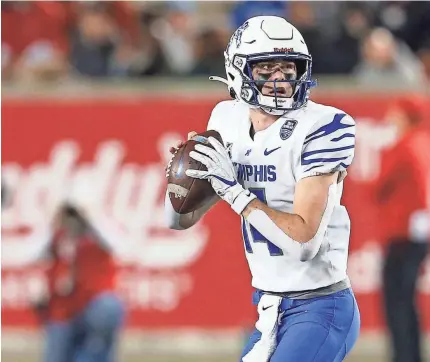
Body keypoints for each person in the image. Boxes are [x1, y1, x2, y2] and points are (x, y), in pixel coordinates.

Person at [165, 16, 360, 362]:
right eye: (266, 69)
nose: (279, 81)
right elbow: (178, 220)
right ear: (237, 72)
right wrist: (187, 177)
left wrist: (232, 189)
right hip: (269, 307)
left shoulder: (324, 125)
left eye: (288, 69)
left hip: (320, 307)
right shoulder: (226, 119)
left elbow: (304, 243)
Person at [33, 202, 125, 362]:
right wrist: (52, 224)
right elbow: (32, 253)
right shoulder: (56, 240)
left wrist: (90, 218)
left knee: (107, 308)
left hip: (86, 309)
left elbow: (119, 244)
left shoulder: (94, 240)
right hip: (63, 313)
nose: (71, 223)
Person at [376, 96, 430, 362]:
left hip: (402, 233)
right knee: (406, 301)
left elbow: (379, 185)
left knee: (397, 301)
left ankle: (404, 356)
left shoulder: (405, 146)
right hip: (415, 233)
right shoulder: (423, 143)